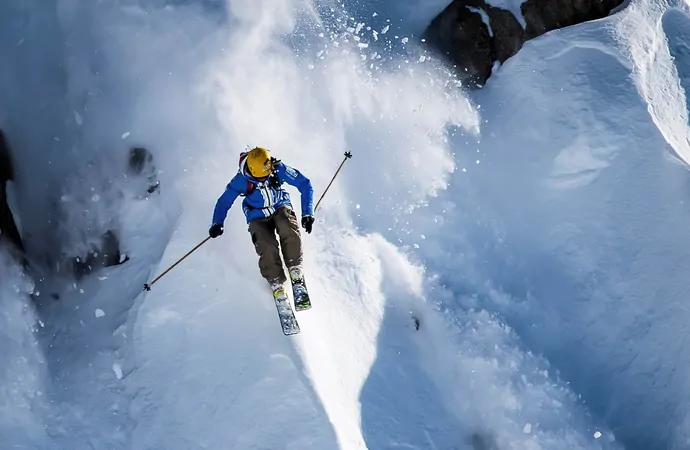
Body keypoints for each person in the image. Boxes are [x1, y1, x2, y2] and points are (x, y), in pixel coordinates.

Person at [209, 147, 315, 292]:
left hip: (279, 205)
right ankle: (275, 280)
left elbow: (304, 184)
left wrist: (307, 213)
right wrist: (217, 222)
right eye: (261, 178)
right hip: (256, 214)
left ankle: (294, 267)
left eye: (268, 174)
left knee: (287, 226)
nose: (266, 178)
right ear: (252, 172)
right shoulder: (241, 180)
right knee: (266, 244)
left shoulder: (278, 169)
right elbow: (224, 201)